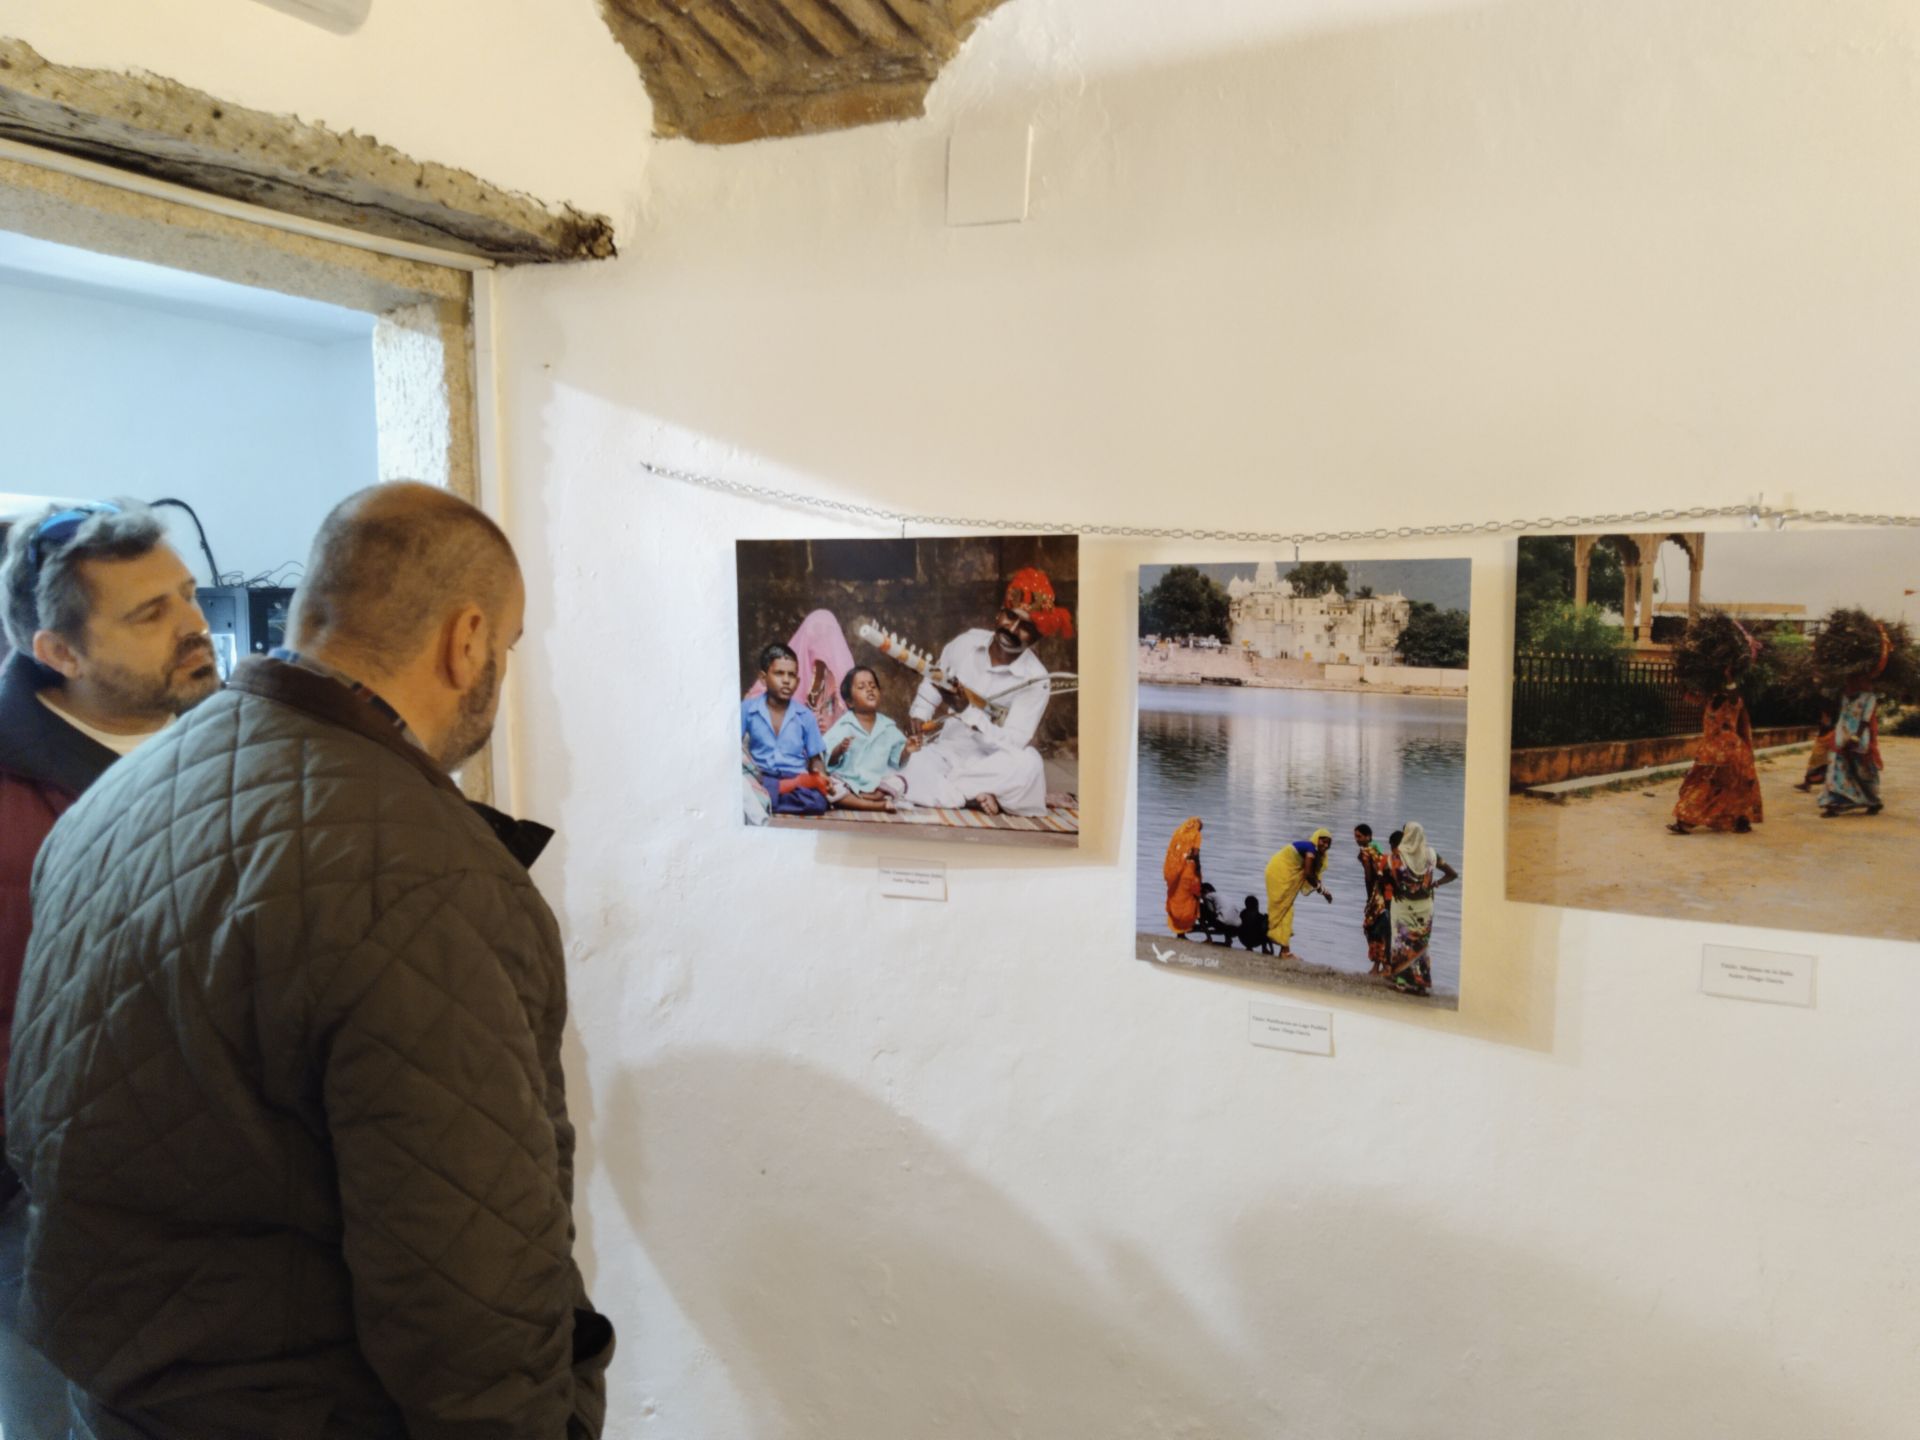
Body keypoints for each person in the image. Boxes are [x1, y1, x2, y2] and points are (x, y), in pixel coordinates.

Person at [7, 483, 614, 1439]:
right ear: (467, 642)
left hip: (118, 1401)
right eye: (506, 645)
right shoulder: (424, 874)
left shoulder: (111, 803)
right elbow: (468, 1277)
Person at [0, 499, 221, 1439]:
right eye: (149, 613)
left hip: (231, 1200)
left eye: (187, 594)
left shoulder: (236, 750)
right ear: (59, 652)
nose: (193, 624)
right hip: (47, 1220)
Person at [898, 567, 1072, 817]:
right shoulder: (966, 643)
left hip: (991, 763)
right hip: (946, 752)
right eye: (1010, 617)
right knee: (909, 760)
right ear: (999, 613)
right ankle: (974, 796)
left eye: (1025, 626)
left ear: (1035, 638)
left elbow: (1013, 743)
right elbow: (934, 680)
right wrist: (920, 713)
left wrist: (967, 711)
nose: (1012, 629)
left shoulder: (1037, 679)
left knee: (1029, 763)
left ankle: (950, 791)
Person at [742, 641, 829, 816]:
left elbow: (815, 758)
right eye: (779, 673)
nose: (786, 681)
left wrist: (819, 775)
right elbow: (733, 748)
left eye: (791, 675)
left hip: (794, 775)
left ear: (798, 681)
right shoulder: (748, 709)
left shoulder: (805, 716)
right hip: (762, 775)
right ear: (763, 678)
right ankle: (771, 794)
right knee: (741, 786)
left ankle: (767, 799)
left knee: (818, 801)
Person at [1667, 686, 1763, 835]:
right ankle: (1686, 822)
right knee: (1706, 785)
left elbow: (1733, 693)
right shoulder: (1710, 699)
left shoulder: (1733, 700)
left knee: (1731, 787)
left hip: (1730, 752)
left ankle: (1739, 820)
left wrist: (1729, 677)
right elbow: (1689, 696)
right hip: (1711, 752)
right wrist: (1683, 683)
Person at [822, 665, 917, 811]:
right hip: (848, 781)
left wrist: (906, 751)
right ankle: (878, 805)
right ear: (850, 701)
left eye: (873, 686)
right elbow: (827, 759)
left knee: (899, 782)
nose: (869, 690)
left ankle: (862, 800)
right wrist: (839, 750)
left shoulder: (888, 726)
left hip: (876, 784)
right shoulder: (844, 725)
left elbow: (897, 761)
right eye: (861, 687)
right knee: (832, 787)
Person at [744, 608, 856, 732]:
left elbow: (850, 720)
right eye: (816, 630)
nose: (821, 638)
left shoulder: (839, 678)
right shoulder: (785, 668)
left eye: (827, 632)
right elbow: (753, 707)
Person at [1387, 822, 1458, 996]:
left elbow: (1390, 879)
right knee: (1421, 944)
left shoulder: (1397, 857)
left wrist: (1397, 889)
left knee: (1402, 942)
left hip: (1403, 905)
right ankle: (1421, 984)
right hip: (1425, 907)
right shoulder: (1431, 855)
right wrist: (1436, 883)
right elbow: (1452, 874)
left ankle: (1402, 982)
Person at [1264, 829, 1333, 958]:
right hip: (1278, 872)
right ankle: (1284, 951)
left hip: (1286, 874)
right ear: (1316, 838)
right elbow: (1308, 874)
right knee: (1285, 909)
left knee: (1286, 909)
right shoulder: (1311, 849)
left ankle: (1282, 949)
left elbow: (1313, 876)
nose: (1325, 845)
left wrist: (1324, 891)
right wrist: (1325, 892)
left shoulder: (1316, 853)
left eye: (1328, 843)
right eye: (1323, 841)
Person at [1820, 678, 1884, 817]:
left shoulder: (1869, 697)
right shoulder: (1844, 696)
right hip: (1840, 737)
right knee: (1836, 770)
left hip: (1858, 739)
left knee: (1863, 772)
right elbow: (1842, 716)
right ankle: (1834, 805)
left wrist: (1856, 737)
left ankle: (1874, 801)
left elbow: (1865, 720)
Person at [1354, 823, 1393, 975]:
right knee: (1381, 928)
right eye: (1355, 836)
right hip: (1385, 893)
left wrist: (1369, 898)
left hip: (1376, 895)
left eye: (1359, 836)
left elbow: (1369, 877)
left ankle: (1380, 966)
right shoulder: (1377, 850)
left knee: (1372, 927)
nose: (1357, 839)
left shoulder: (1366, 852)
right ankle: (1383, 965)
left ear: (1368, 837)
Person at [1164, 816, 1204, 936]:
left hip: (1177, 873)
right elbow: (1195, 855)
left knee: (1177, 899)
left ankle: (1179, 932)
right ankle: (1184, 929)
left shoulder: (1178, 833)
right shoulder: (1196, 835)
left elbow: (1172, 853)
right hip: (1189, 873)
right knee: (1189, 901)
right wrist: (1198, 868)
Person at [1795, 703, 1836, 793]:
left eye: (1824, 716)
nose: (1822, 717)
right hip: (1820, 745)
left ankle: (1808, 783)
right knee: (1813, 765)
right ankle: (1807, 783)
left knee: (1818, 767)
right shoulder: (1826, 724)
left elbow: (1828, 734)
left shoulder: (1829, 725)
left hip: (1823, 747)